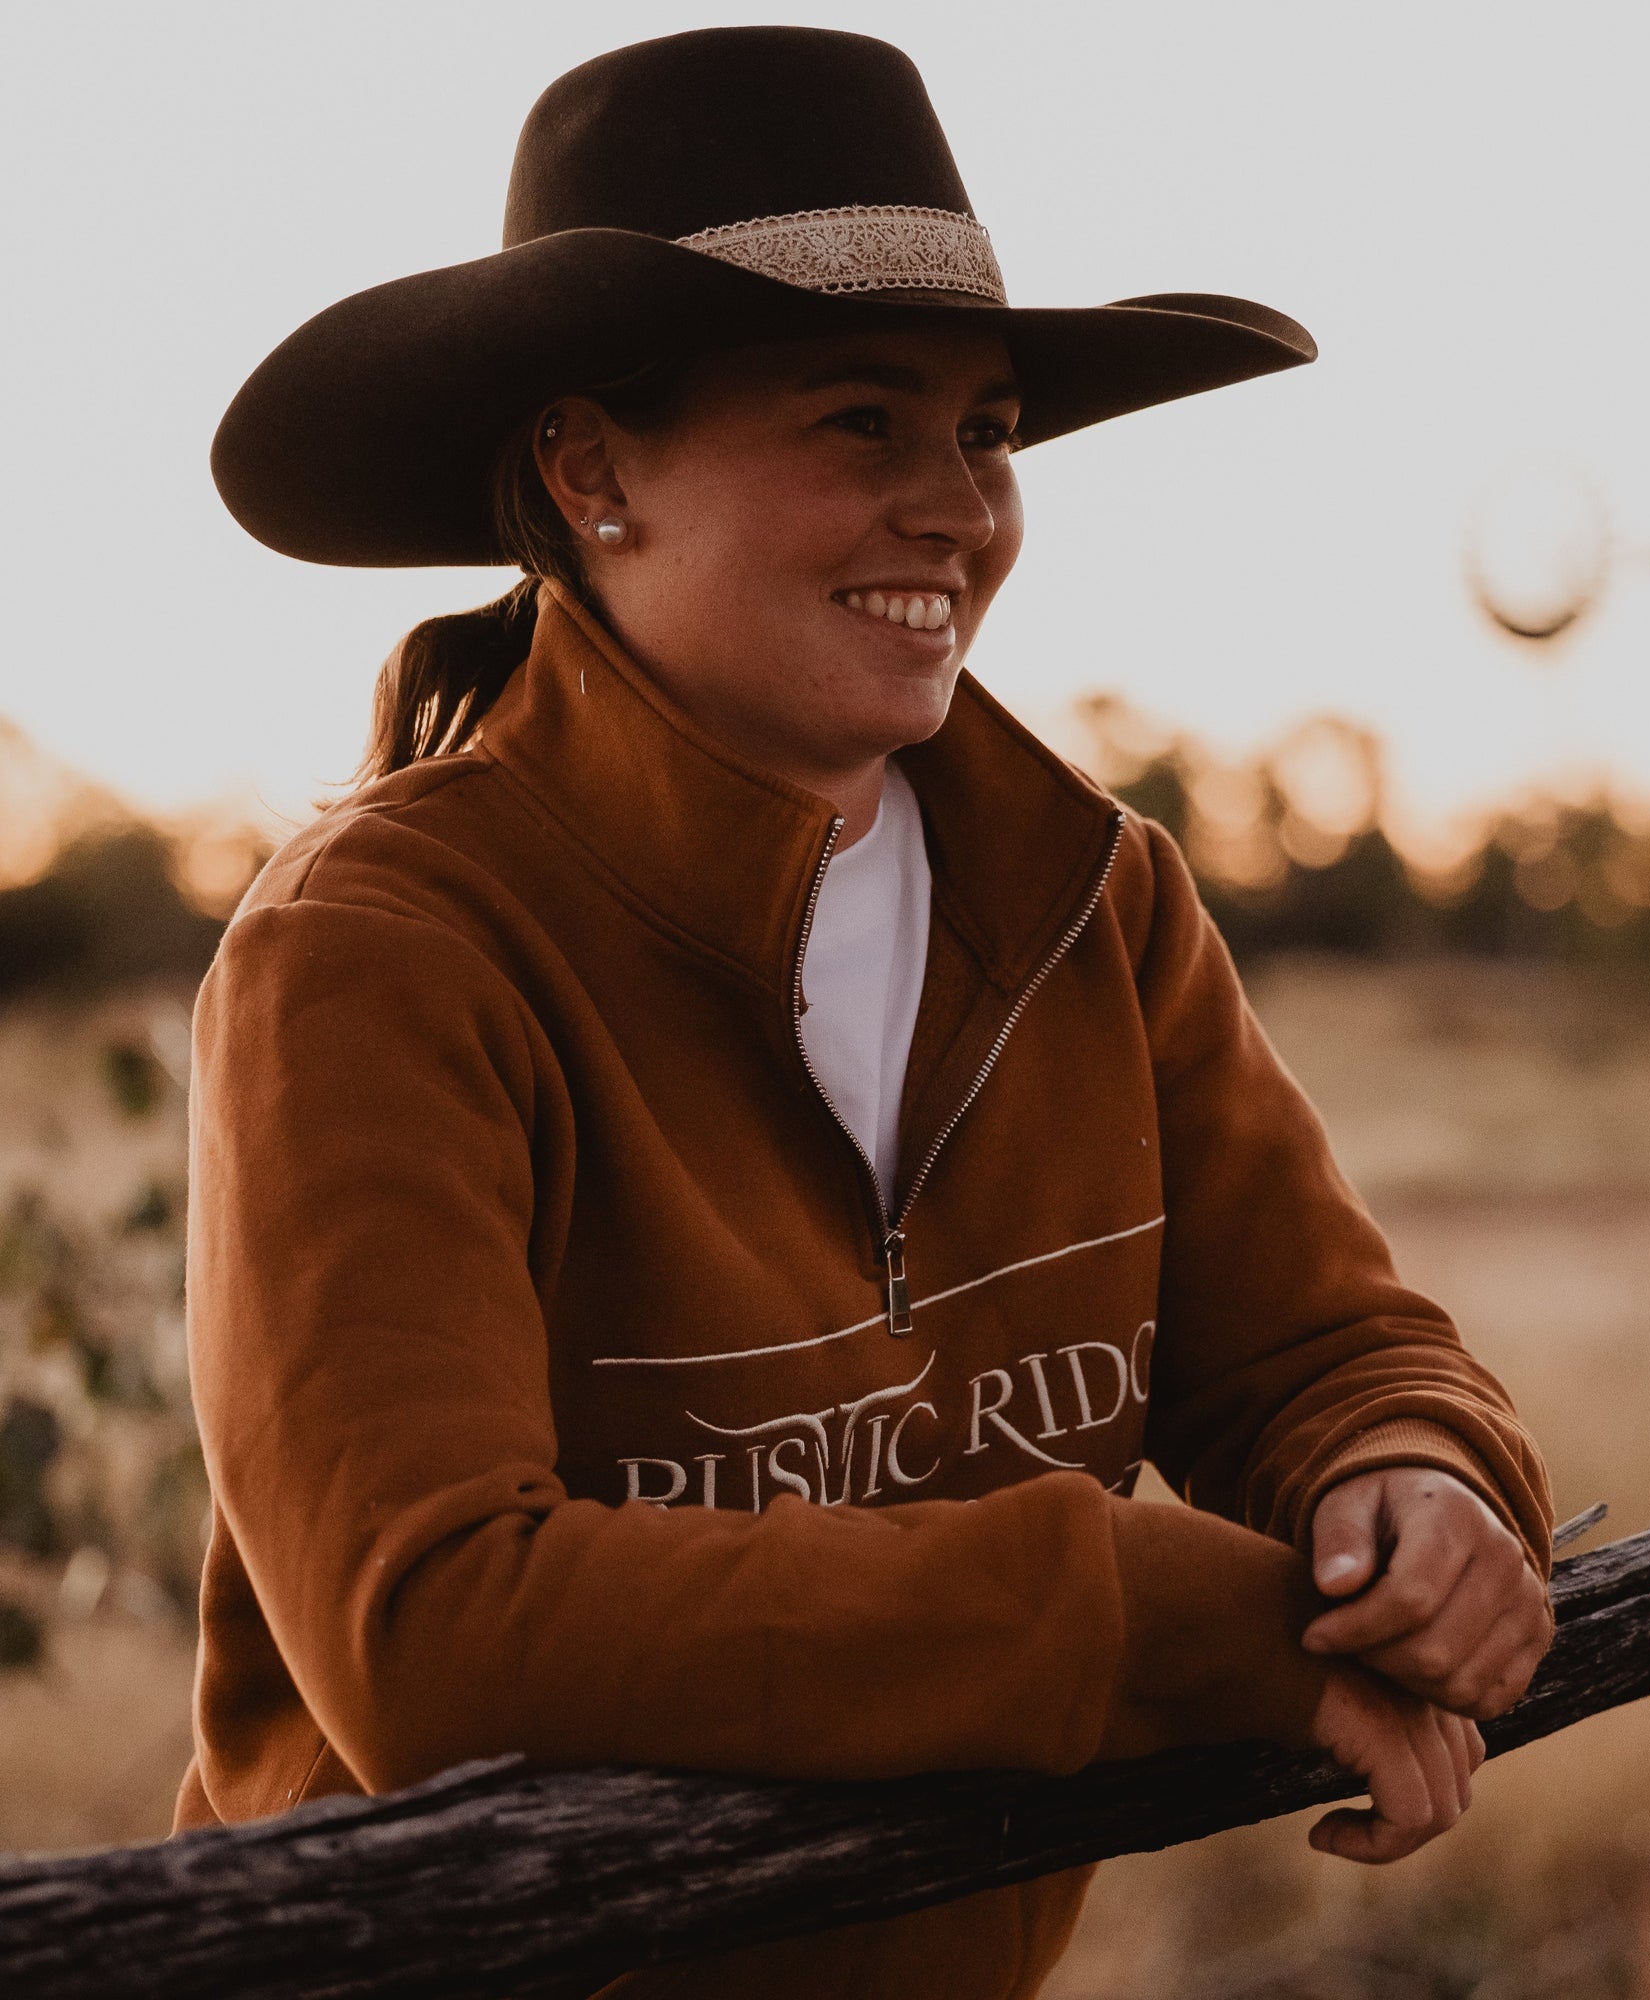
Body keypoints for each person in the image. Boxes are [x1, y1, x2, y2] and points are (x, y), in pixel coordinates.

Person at [180, 27, 1555, 2000]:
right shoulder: (379, 955)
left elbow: (1319, 1346)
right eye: (859, 421)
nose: (960, 511)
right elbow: (439, 1631)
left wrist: (1410, 1490)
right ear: (587, 471)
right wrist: (1157, 1618)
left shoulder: (1094, 902)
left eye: (986, 432)